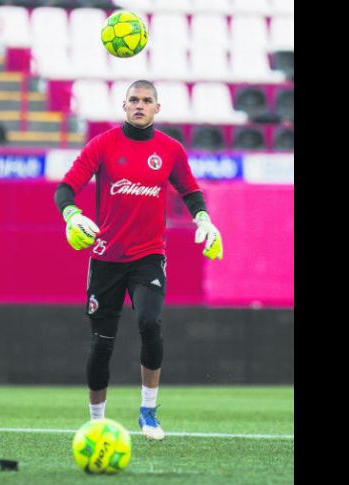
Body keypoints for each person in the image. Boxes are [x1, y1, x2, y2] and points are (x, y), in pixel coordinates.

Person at [53, 80, 223, 440]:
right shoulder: (103, 144)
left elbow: (191, 191)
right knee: (102, 343)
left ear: (157, 108)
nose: (140, 105)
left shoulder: (171, 150)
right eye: (134, 100)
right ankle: (96, 420)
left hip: (149, 255)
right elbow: (65, 187)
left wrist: (204, 218)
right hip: (106, 258)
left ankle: (148, 412)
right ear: (124, 105)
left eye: (147, 100)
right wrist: (71, 213)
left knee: (150, 323)